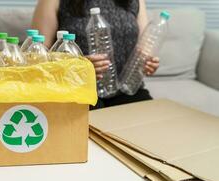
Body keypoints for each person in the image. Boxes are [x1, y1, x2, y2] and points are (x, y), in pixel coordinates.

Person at [31, 0, 160, 109]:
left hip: (127, 91)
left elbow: (144, 48)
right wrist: (78, 67)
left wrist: (148, 62)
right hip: (77, 91)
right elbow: (35, 57)